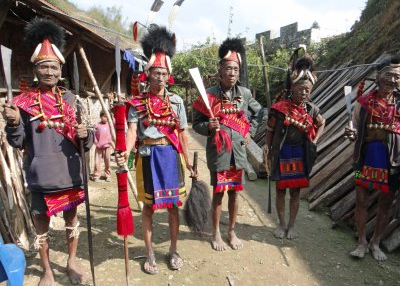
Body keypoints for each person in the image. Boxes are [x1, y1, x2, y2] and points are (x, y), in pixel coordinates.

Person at [3, 17, 94, 285]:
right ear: (36, 70)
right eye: (44, 67)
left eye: (53, 67)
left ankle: (71, 260)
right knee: (41, 225)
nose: (49, 72)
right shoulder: (22, 103)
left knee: (71, 220)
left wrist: (85, 135)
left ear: (60, 70)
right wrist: (13, 123)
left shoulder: (71, 100)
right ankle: (47, 270)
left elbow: (84, 142)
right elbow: (18, 142)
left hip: (70, 172)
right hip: (41, 174)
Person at [116, 25, 194, 274]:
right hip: (147, 158)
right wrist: (125, 152)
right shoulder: (137, 103)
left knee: (172, 207)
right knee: (148, 208)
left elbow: (182, 133)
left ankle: (173, 249)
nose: (159, 78)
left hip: (171, 156)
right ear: (147, 74)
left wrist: (189, 161)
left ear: (168, 75)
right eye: (155, 73)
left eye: (163, 73)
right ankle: (149, 253)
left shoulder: (177, 102)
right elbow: (131, 133)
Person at [192, 38, 262, 251]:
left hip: (238, 154)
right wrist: (210, 127)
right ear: (220, 71)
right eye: (228, 69)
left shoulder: (246, 94)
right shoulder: (209, 95)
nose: (232, 73)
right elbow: (196, 123)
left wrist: (250, 131)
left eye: (235, 69)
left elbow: (259, 113)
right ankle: (215, 234)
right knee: (219, 192)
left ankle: (231, 232)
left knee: (235, 193)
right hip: (219, 152)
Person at [264, 50, 325, 239]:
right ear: (292, 88)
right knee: (281, 190)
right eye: (300, 88)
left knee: (296, 193)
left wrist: (314, 141)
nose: (304, 92)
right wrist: (267, 147)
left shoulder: (312, 109)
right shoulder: (280, 108)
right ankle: (281, 224)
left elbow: (322, 123)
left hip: (300, 154)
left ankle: (292, 225)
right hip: (282, 153)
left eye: (307, 89)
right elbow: (270, 129)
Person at [345, 55, 400, 261]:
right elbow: (355, 129)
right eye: (388, 75)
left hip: (393, 161)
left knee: (385, 203)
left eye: (396, 77)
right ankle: (361, 242)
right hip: (365, 157)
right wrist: (351, 134)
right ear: (378, 77)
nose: (392, 80)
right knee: (361, 200)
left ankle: (376, 243)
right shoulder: (364, 103)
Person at [91, 111, 113, 182]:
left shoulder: (109, 125)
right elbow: (93, 135)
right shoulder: (97, 125)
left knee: (107, 161)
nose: (106, 118)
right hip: (99, 146)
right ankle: (96, 176)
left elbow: (112, 133)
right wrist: (96, 142)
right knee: (97, 162)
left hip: (107, 146)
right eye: (104, 116)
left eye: (107, 117)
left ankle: (108, 175)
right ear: (101, 117)